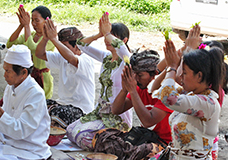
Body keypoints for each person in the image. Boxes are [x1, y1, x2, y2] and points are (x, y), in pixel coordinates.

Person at [66, 12, 133, 151]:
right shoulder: (106, 56)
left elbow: (122, 49)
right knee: (70, 130)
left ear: (124, 40)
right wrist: (99, 34)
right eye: (107, 36)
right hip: (101, 113)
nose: (108, 39)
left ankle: (115, 143)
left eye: (113, 36)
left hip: (117, 117)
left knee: (83, 137)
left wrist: (107, 33)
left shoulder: (126, 60)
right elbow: (80, 44)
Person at [91, 49, 172, 160]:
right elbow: (116, 110)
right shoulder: (140, 88)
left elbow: (148, 121)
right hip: (145, 137)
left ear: (154, 75)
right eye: (135, 75)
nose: (136, 79)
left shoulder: (167, 92)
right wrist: (125, 89)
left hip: (164, 144)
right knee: (102, 135)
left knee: (147, 152)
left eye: (140, 75)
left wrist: (133, 91)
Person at [152, 39, 224, 159]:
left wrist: (172, 67)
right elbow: (156, 89)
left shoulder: (207, 103)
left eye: (184, 73)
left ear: (199, 76)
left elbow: (168, 97)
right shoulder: (191, 95)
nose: (180, 75)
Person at [35, 19, 95, 128]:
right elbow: (39, 54)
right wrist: (45, 38)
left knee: (56, 114)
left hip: (81, 110)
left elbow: (72, 59)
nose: (60, 50)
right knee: (38, 105)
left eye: (64, 47)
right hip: (63, 104)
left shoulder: (86, 60)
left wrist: (54, 39)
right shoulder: (62, 57)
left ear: (77, 46)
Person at [7, 5, 55, 99]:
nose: (33, 24)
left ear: (46, 21)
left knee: (41, 106)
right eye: (32, 20)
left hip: (43, 79)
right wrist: (21, 25)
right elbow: (10, 44)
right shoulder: (31, 35)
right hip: (28, 77)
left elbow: (33, 48)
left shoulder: (50, 38)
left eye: (37, 20)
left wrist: (26, 26)